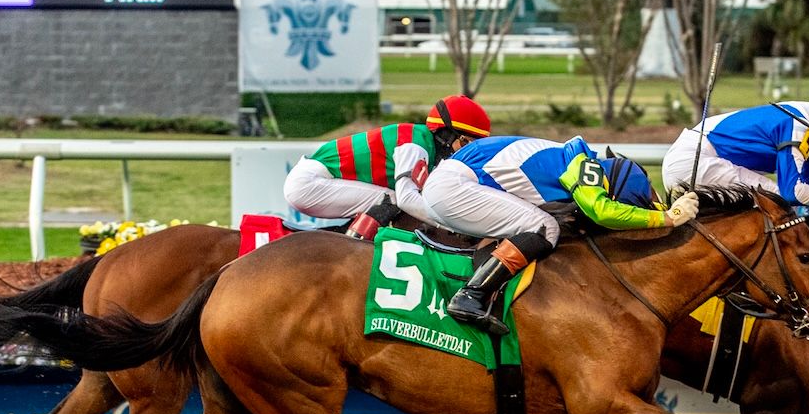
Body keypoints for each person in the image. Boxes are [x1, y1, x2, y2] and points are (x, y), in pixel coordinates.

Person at [423, 134, 699, 334]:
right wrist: (667, 218)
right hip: (455, 186)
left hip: (452, 184)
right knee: (544, 227)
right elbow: (602, 211)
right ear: (615, 188)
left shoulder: (568, 160)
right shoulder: (585, 165)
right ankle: (471, 295)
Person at [661, 69, 809, 208]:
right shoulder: (800, 126)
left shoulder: (808, 126)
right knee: (777, 202)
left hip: (695, 160)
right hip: (694, 161)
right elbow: (794, 193)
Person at [283, 95, 492, 239]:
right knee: (393, 200)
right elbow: (407, 199)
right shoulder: (414, 145)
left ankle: (351, 239)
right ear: (445, 134)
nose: (464, 152)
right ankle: (353, 244)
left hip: (316, 180)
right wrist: (455, 225)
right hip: (310, 184)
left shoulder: (422, 142)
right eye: (464, 142)